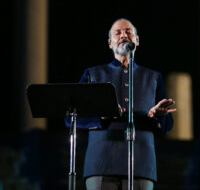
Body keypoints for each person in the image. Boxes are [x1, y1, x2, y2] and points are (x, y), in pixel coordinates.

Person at [67, 18, 176, 190]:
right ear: (110, 43)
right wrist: (101, 116)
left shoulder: (153, 77)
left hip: (142, 164)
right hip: (101, 163)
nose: (123, 35)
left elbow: (168, 126)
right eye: (117, 32)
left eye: (128, 31)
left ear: (137, 40)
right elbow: (71, 118)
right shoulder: (92, 74)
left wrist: (158, 117)